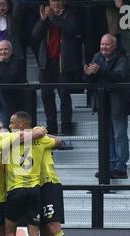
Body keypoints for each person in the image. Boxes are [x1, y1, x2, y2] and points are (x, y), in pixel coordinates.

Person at [3, 111, 59, 236]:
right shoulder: (40, 138)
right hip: (35, 191)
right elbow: (58, 141)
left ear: (21, 124)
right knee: (34, 234)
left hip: (15, 190)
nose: (10, 126)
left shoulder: (9, 138)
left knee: (10, 232)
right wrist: (42, 131)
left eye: (12, 123)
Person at [84, 34, 130, 179]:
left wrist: (99, 71)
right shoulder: (97, 56)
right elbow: (91, 78)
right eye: (102, 44)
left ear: (114, 46)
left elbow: (119, 76)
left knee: (119, 135)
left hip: (118, 103)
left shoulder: (122, 58)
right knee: (106, 136)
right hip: (103, 102)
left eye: (107, 45)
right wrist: (88, 74)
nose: (103, 47)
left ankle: (120, 167)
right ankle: (109, 166)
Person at [31, 0, 82, 136]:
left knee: (64, 95)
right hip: (46, 62)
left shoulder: (70, 14)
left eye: (60, 1)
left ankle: (66, 127)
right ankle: (51, 127)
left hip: (62, 62)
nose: (57, 3)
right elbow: (35, 35)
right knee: (46, 95)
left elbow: (71, 30)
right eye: (54, 1)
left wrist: (53, 17)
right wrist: (43, 20)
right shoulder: (46, 16)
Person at [38, 131, 76, 236]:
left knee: (54, 227)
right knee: (44, 231)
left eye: (13, 123)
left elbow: (59, 141)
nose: (10, 126)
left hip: (49, 184)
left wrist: (40, 133)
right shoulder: (19, 141)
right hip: (36, 187)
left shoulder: (38, 139)